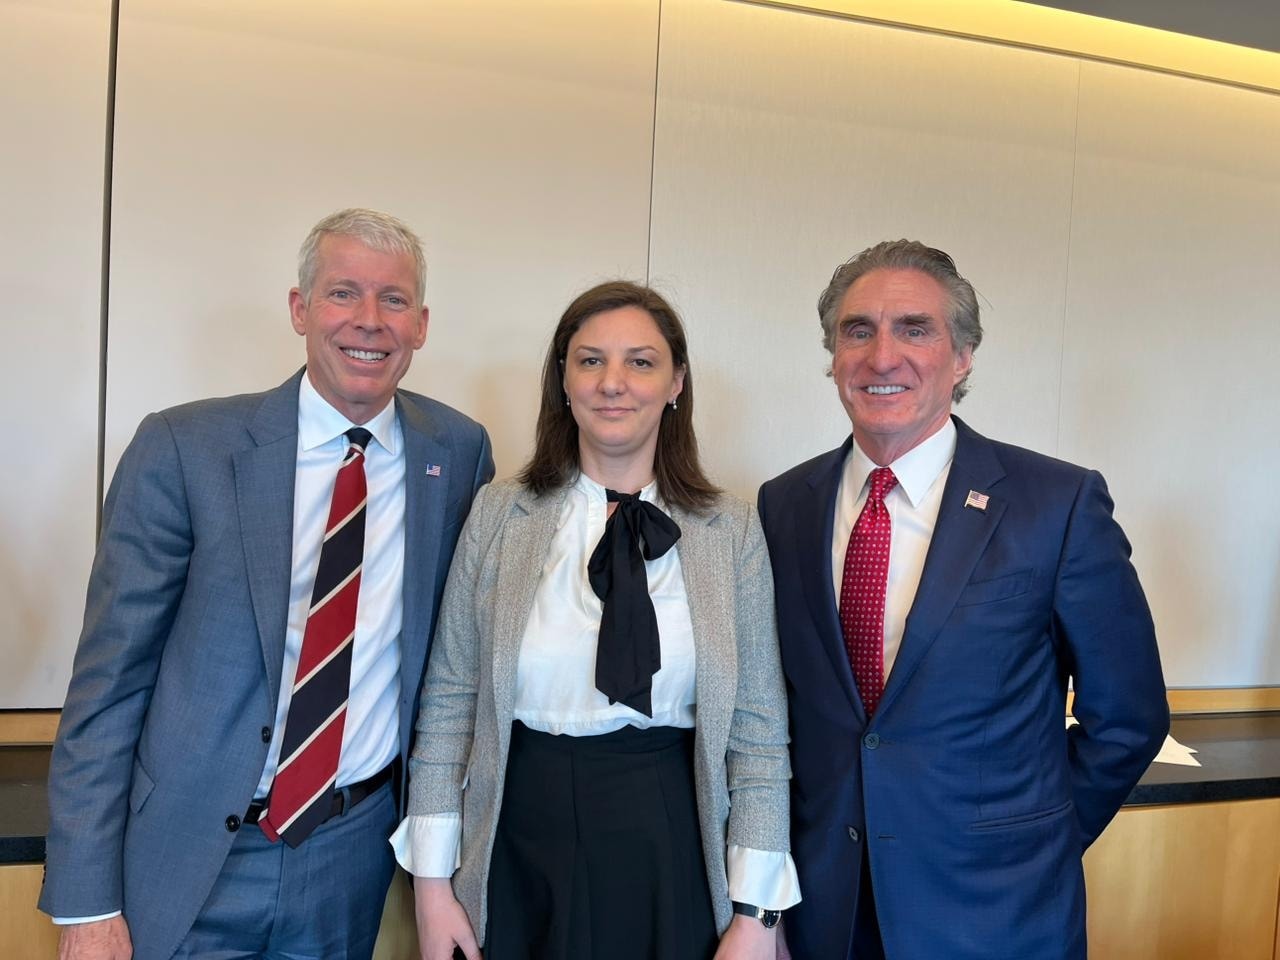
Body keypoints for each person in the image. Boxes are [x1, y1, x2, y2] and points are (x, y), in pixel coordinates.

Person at [40, 208, 494, 960]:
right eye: (343, 292)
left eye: (393, 299)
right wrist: (87, 902)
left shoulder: (456, 451)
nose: (369, 320)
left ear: (420, 325)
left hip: (348, 854)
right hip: (185, 851)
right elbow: (108, 685)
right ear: (299, 308)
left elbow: (452, 661)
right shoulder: (185, 448)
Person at [757, 240, 1168, 960]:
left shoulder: (1057, 503)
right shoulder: (783, 505)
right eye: (858, 331)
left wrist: (1034, 843)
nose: (883, 356)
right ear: (833, 355)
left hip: (997, 914)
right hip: (828, 912)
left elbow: (1129, 719)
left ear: (963, 356)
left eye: (914, 329)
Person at [390, 281, 799, 960]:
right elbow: (450, 701)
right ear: (563, 380)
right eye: (590, 361)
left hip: (669, 831)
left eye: (641, 361)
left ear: (676, 382)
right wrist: (432, 888)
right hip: (518, 831)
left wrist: (757, 917)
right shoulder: (498, 514)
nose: (613, 382)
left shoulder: (731, 530)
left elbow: (758, 734)